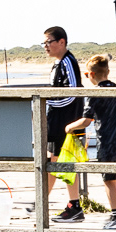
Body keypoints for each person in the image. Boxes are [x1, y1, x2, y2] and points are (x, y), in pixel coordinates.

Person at [65, 53, 116, 229]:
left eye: (86, 75)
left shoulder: (94, 93)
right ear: (107, 72)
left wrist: (69, 127)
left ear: (91, 74)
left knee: (109, 180)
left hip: (107, 142)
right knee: (115, 179)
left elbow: (86, 121)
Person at [39, 27, 86, 220]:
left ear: (62, 42)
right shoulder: (58, 63)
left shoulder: (68, 62)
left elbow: (73, 93)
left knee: (61, 161)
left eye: (49, 42)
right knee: (55, 161)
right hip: (57, 120)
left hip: (66, 121)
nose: (46, 46)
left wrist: (45, 101)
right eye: (44, 43)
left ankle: (70, 205)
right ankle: (45, 202)